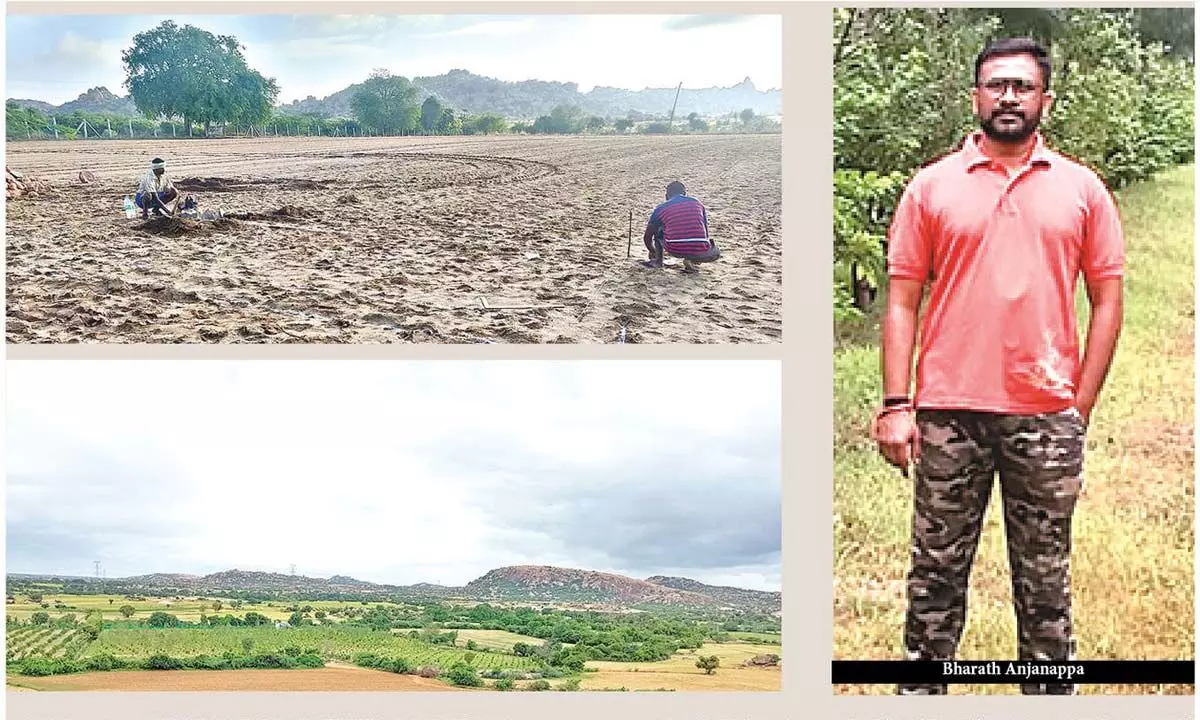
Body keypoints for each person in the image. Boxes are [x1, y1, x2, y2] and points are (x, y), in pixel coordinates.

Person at [870, 37, 1125, 696]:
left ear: (1045, 98)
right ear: (976, 96)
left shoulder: (1082, 190)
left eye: (1022, 85)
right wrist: (898, 405)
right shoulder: (932, 186)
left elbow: (1107, 300)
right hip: (949, 416)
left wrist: (1079, 405)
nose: (1008, 96)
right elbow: (900, 300)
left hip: (1045, 417)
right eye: (995, 85)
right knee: (934, 581)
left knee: (1045, 583)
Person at [641, 181, 721, 273]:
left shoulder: (660, 208)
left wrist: (652, 250)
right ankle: (692, 260)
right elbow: (705, 232)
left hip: (675, 249)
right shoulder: (698, 204)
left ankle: (658, 261)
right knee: (716, 250)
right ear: (685, 194)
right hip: (701, 251)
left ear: (666, 196)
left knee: (657, 230)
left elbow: (648, 236)